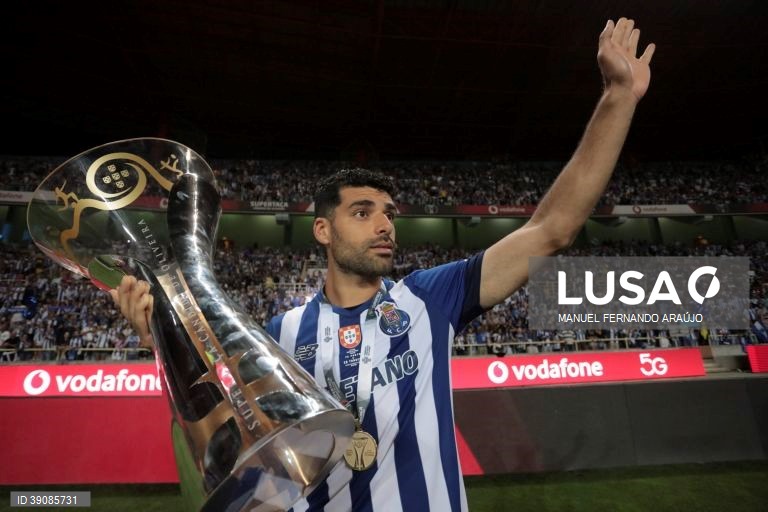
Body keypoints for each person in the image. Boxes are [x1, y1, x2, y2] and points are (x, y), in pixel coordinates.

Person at [111, 17, 654, 512]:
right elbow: (233, 459)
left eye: (389, 213)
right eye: (363, 212)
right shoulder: (280, 334)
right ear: (323, 229)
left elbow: (551, 230)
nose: (385, 225)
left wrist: (618, 97)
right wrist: (162, 340)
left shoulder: (430, 299)